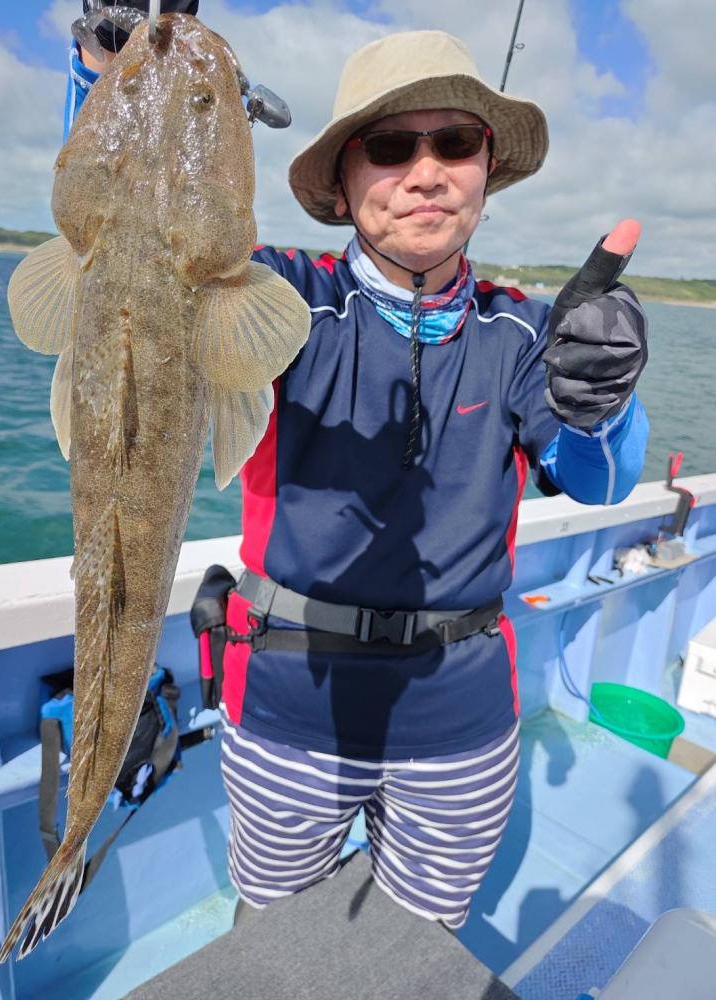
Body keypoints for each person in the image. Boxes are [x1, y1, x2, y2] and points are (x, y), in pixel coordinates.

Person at [65, 12, 649, 932]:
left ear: (487, 166)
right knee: (273, 944)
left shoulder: (522, 333)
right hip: (283, 712)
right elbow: (122, 238)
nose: (426, 171)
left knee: (417, 954)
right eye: (388, 146)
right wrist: (106, 72)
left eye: (455, 142)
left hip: (461, 725)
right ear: (341, 180)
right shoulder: (274, 298)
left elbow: (602, 483)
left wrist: (600, 397)